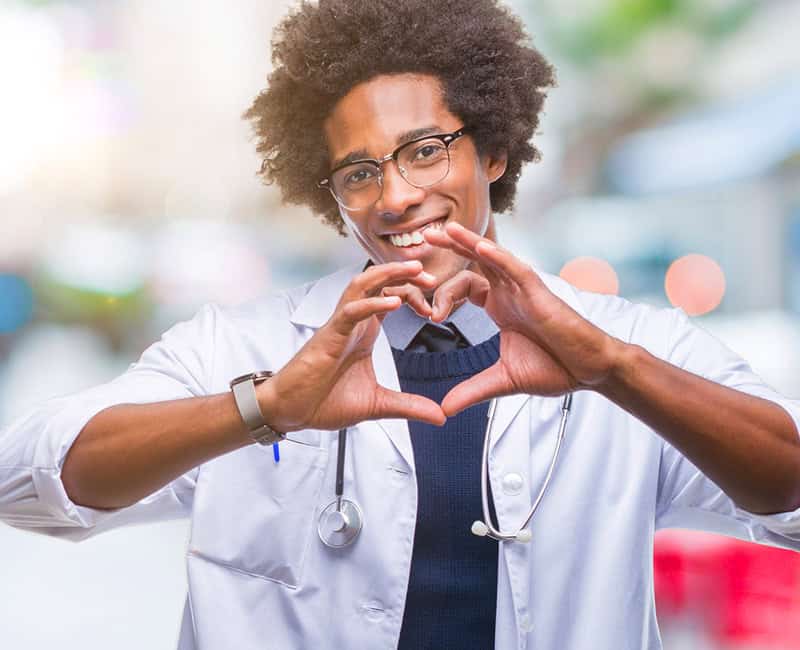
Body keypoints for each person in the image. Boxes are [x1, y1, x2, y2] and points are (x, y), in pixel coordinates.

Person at [2, 1, 800, 648]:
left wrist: (609, 370)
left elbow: (789, 497)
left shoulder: (621, 342)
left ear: (491, 151)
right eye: (359, 172)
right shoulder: (248, 349)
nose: (393, 197)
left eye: (424, 151)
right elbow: (24, 485)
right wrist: (265, 409)